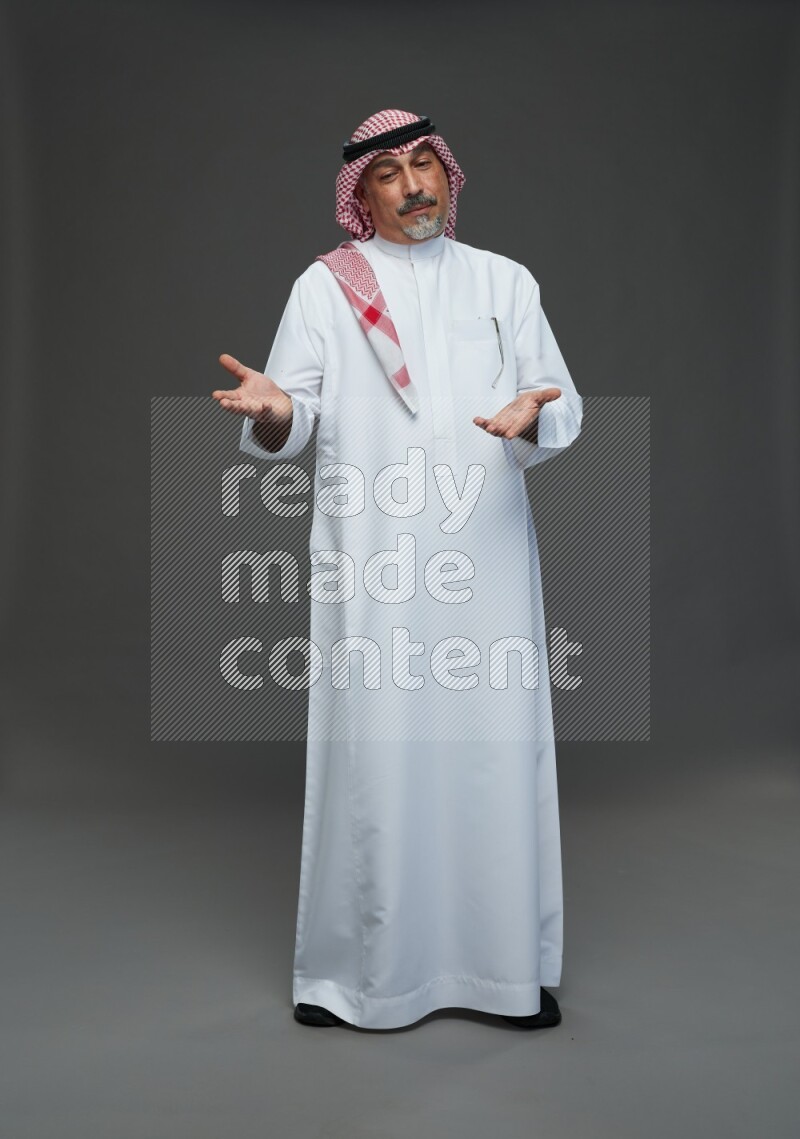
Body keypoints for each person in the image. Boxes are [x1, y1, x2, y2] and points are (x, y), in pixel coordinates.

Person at [212, 109, 583, 1031]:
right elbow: (289, 420)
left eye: (427, 165)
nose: (414, 184)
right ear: (361, 194)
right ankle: (358, 976)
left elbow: (559, 401)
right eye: (391, 173)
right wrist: (267, 412)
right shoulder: (326, 289)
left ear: (449, 176)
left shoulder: (506, 282)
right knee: (374, 757)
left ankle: (503, 975)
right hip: (372, 562)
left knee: (496, 751)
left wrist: (531, 415)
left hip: (485, 558)